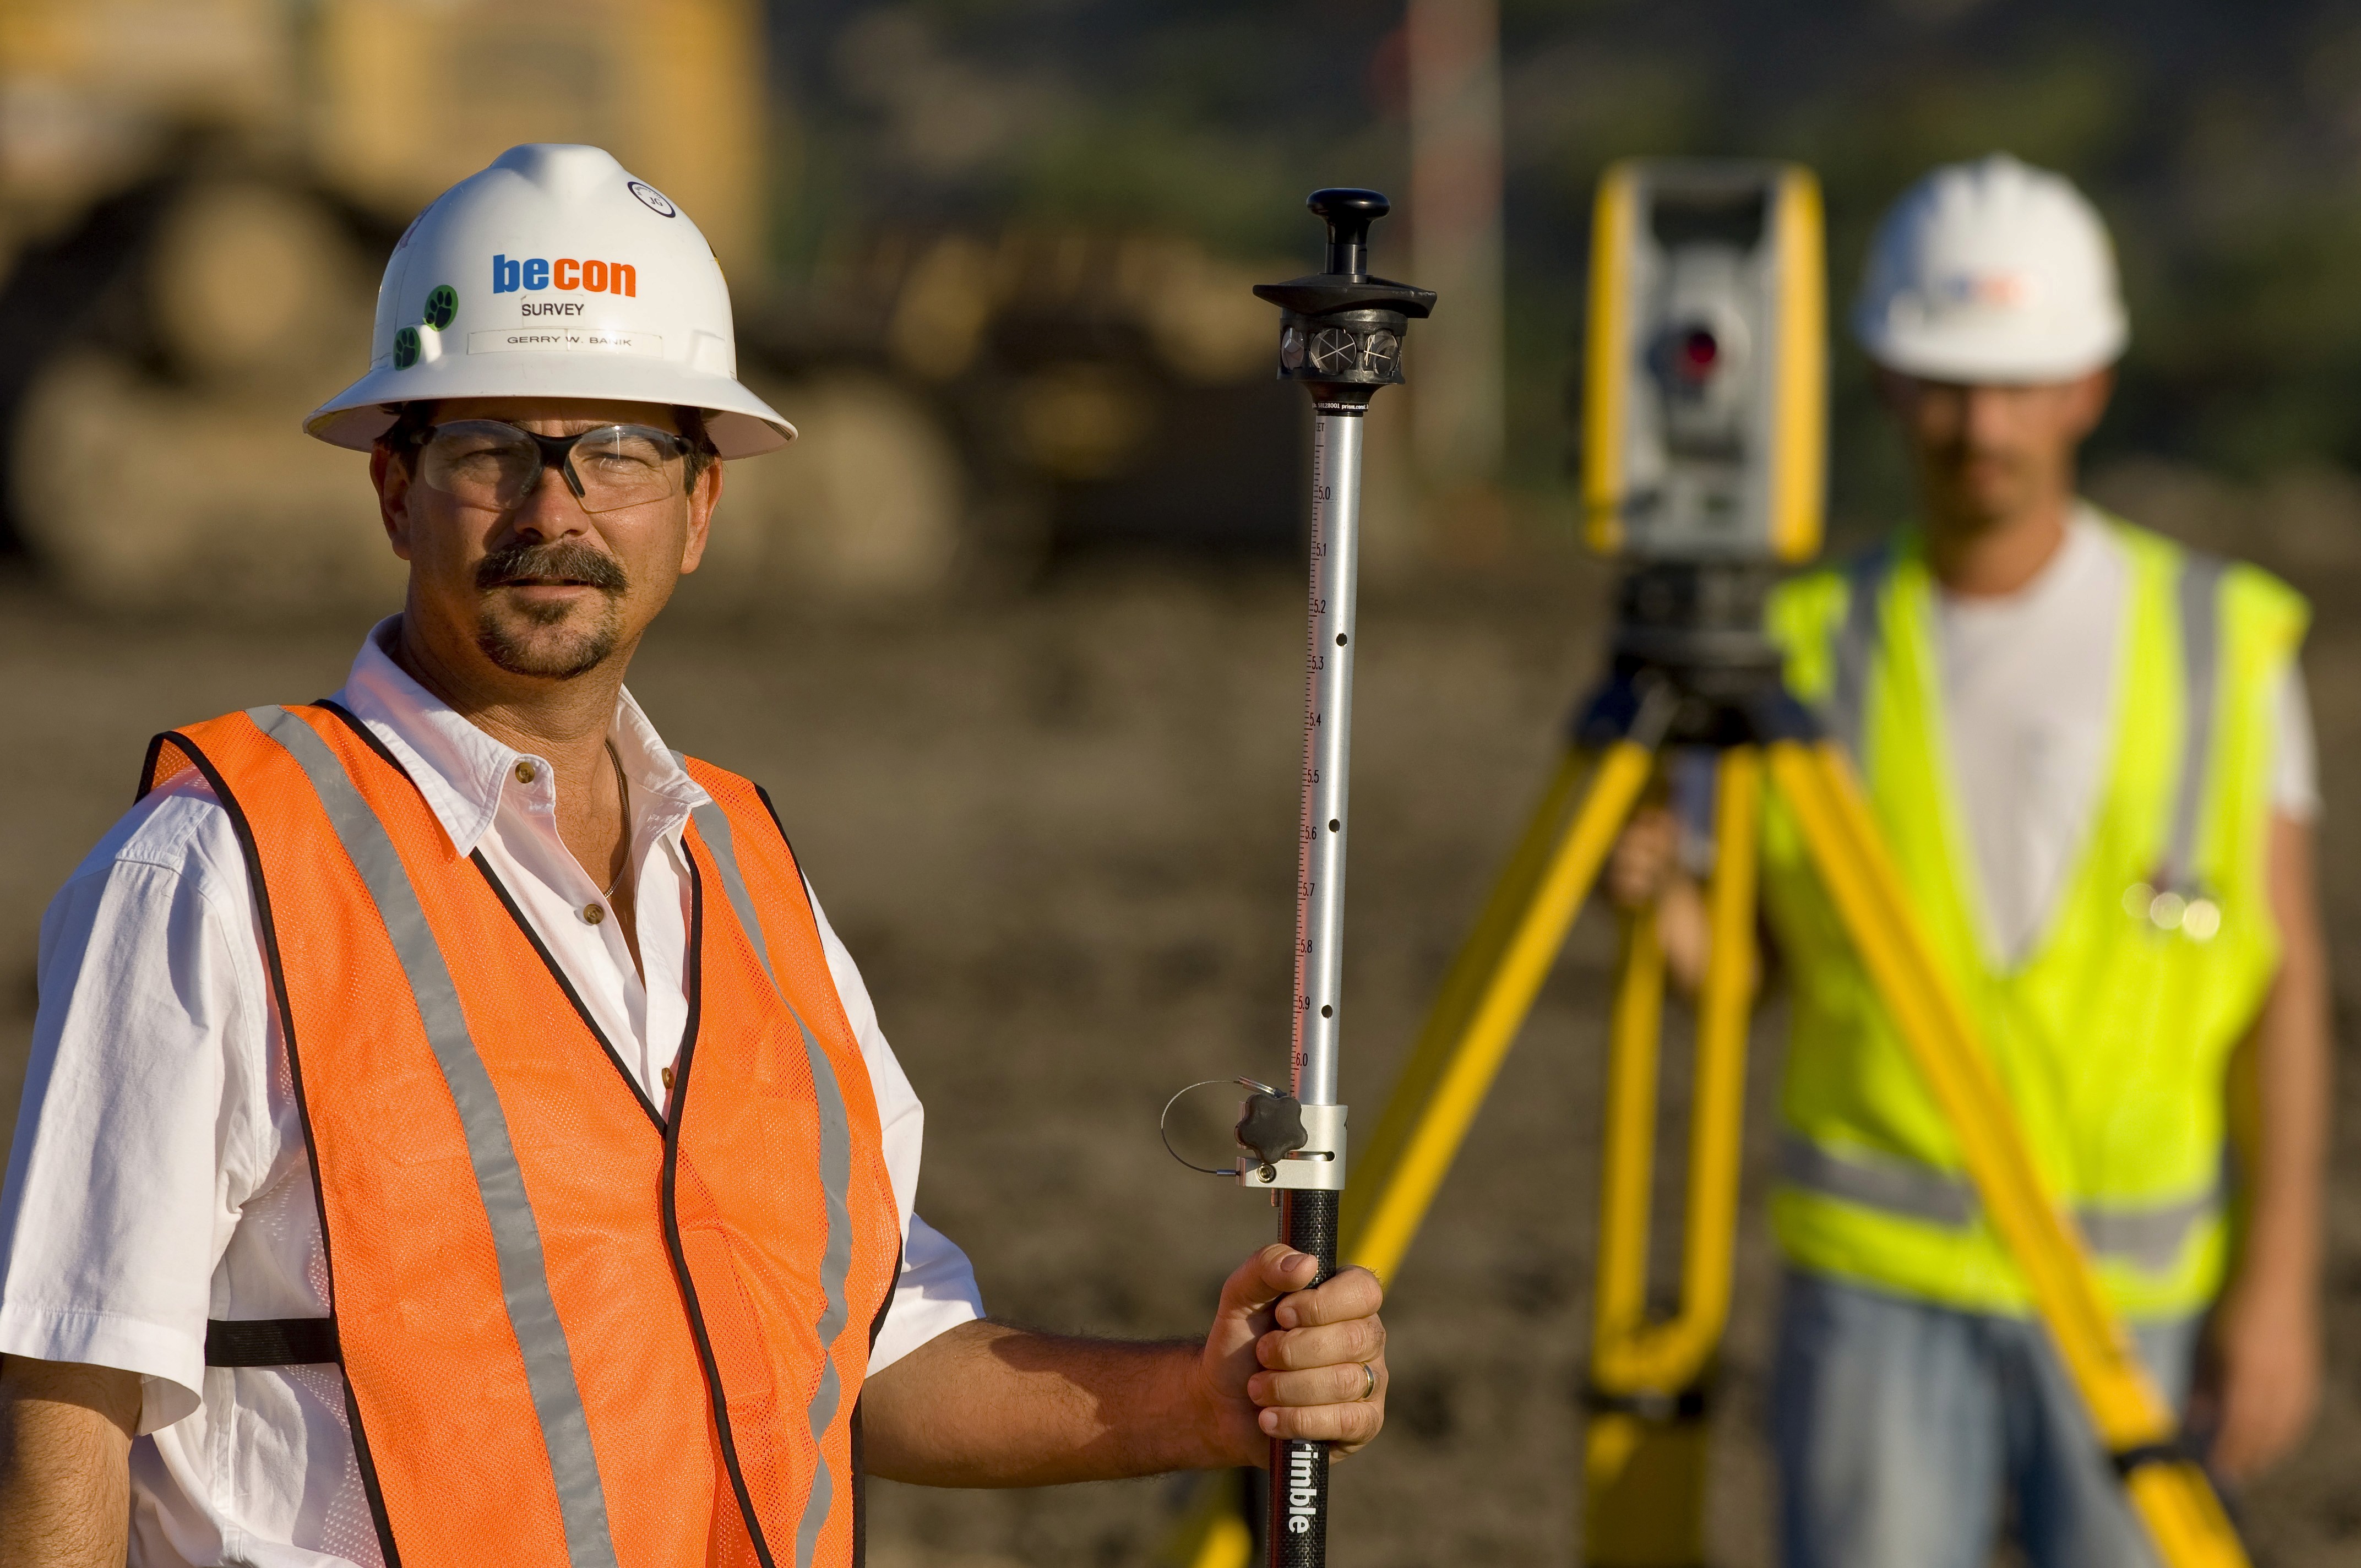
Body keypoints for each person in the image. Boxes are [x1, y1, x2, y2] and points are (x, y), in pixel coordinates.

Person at [0, 144, 1387, 1568]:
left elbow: (864, 1357)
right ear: (395, 492)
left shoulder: (745, 882)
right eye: (494, 451)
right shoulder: (217, 873)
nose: (558, 513)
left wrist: (1207, 1400)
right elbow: (70, 1389)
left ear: (700, 510)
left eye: (618, 452)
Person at [1608, 154, 2327, 1567]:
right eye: (1944, 380)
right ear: (1884, 379)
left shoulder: (2218, 640)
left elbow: (2282, 979)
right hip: (1873, 1290)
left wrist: (2280, 1282)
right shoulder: (1796, 645)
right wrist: (1651, 896)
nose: (1978, 423)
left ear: (2087, 384)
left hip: (2135, 1294)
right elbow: (1735, 975)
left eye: (2015, 382)